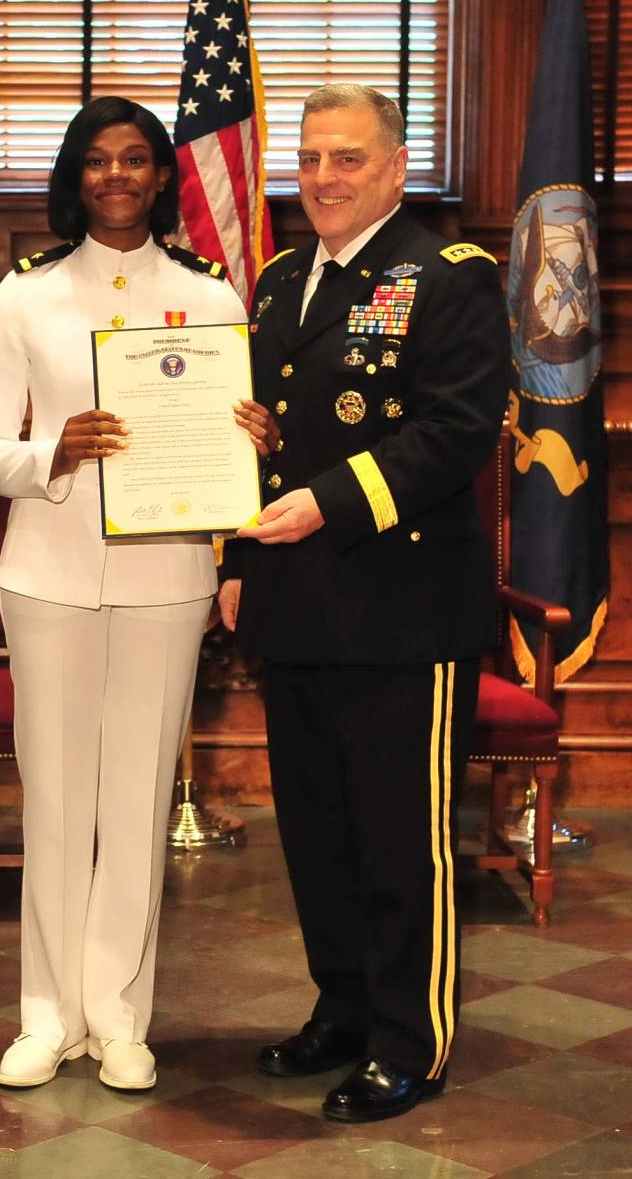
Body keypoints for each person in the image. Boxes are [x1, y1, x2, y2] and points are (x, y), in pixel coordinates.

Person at [0, 96, 263, 1093]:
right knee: (54, 801)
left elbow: (227, 453)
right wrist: (55, 451)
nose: (117, 177)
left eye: (135, 159)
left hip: (167, 579)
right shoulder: (25, 297)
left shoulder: (212, 299)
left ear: (162, 175)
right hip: (46, 577)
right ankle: (45, 1017)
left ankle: (122, 1018)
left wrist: (256, 442)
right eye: (97, 162)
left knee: (135, 803)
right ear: (75, 177)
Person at [219, 84, 508, 1123]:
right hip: (298, 602)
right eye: (311, 160)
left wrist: (326, 504)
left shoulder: (448, 276)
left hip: (403, 606)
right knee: (319, 832)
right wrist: (240, 563)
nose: (325, 179)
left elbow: (456, 432)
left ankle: (409, 1038)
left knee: (399, 837)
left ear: (394, 168)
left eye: (348, 159)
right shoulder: (283, 280)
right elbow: (268, 434)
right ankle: (341, 1009)